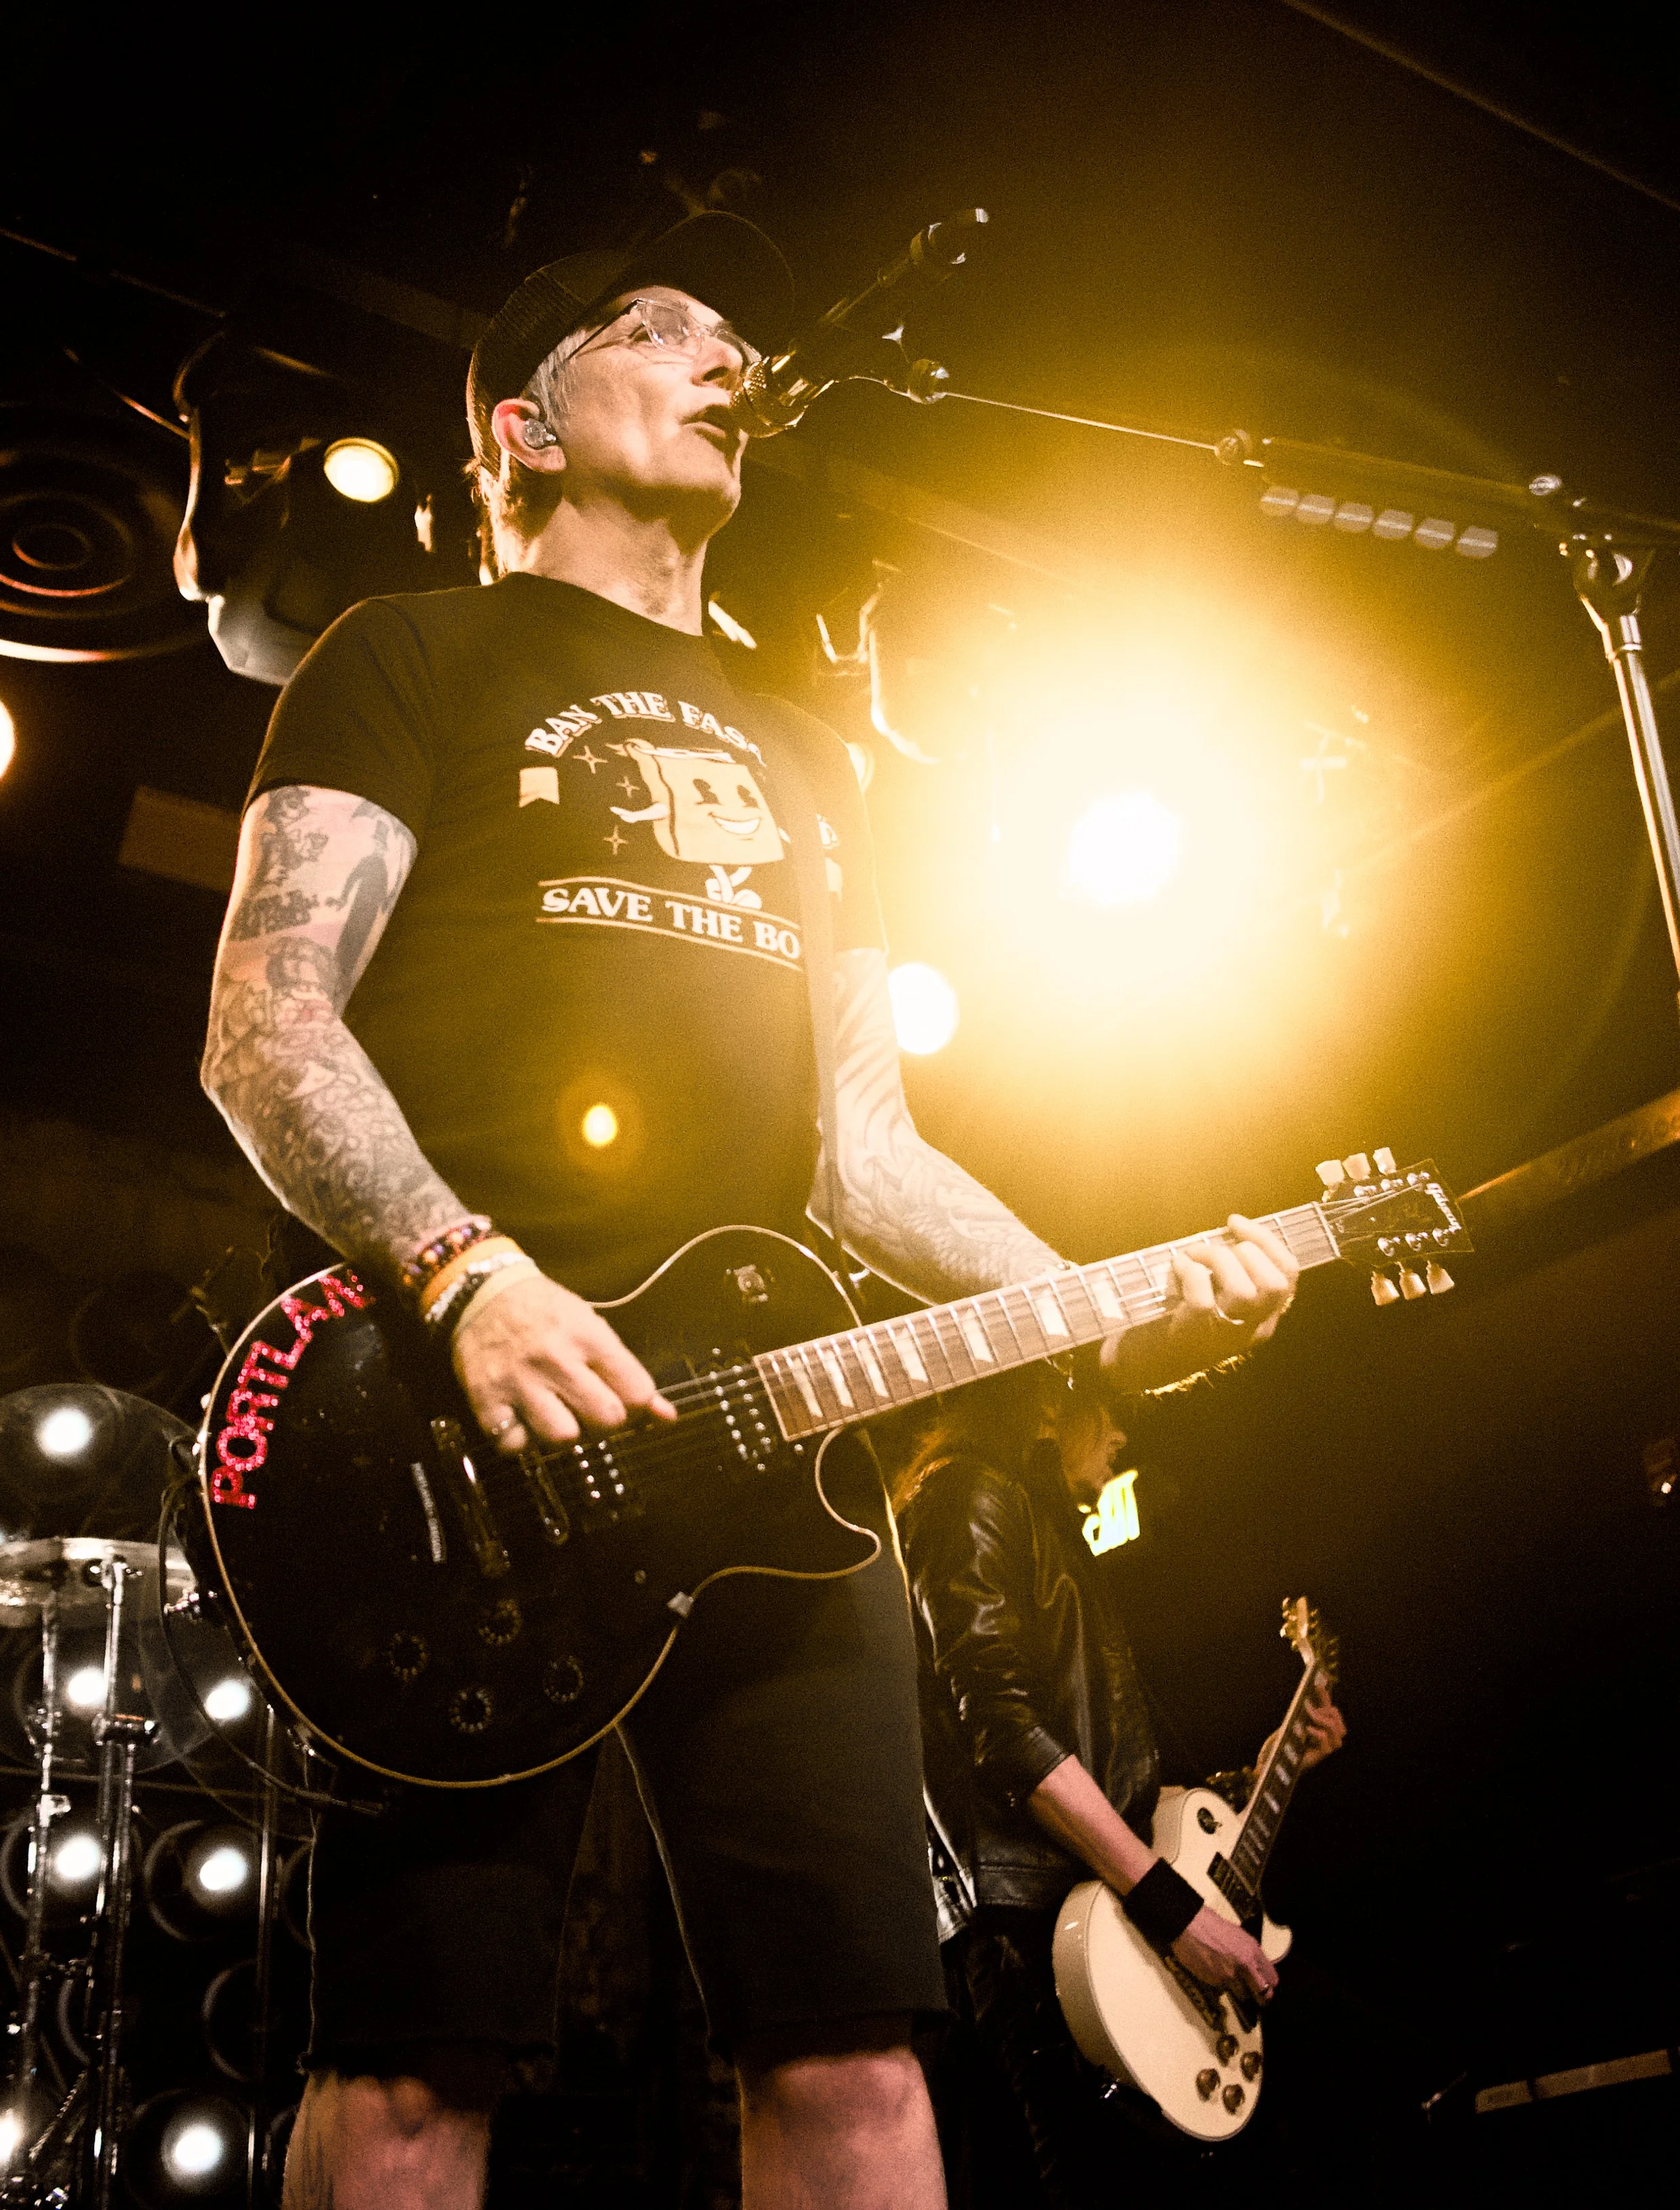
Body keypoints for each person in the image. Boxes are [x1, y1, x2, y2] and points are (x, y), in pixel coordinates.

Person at [199, 208, 1301, 2210]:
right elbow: (264, 1026)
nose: (722, 354)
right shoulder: (407, 653)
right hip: (449, 1432)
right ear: (523, 428)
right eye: (659, 329)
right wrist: (464, 1277)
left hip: (770, 1454)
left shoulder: (809, 757)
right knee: (413, 2073)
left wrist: (1103, 1295)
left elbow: (860, 1151)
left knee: (863, 2068)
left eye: (731, 331)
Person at [896, 1371, 1344, 2207]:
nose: (1125, 1435)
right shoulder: (965, 1494)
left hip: (1102, 1910)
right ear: (1048, 1399)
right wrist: (1174, 1913)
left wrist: (1256, 1776)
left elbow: (1102, 1772)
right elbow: (1004, 1735)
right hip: (1036, 1931)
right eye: (1117, 1407)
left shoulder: (1038, 1518)